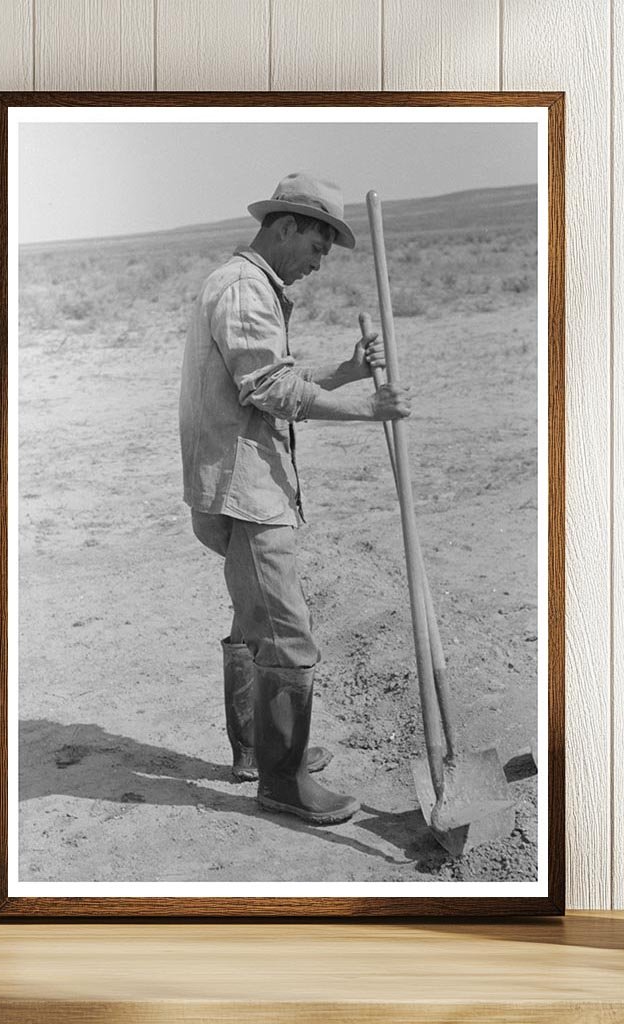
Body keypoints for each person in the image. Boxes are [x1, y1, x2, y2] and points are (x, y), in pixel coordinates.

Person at [179, 171, 412, 826]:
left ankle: (261, 754)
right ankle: (283, 783)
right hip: (246, 491)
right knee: (288, 637)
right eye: (317, 247)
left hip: (239, 483)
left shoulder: (246, 286)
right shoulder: (244, 289)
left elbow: (273, 374)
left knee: (256, 623)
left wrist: (345, 373)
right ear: (288, 228)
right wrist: (365, 409)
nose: (318, 264)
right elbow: (270, 390)